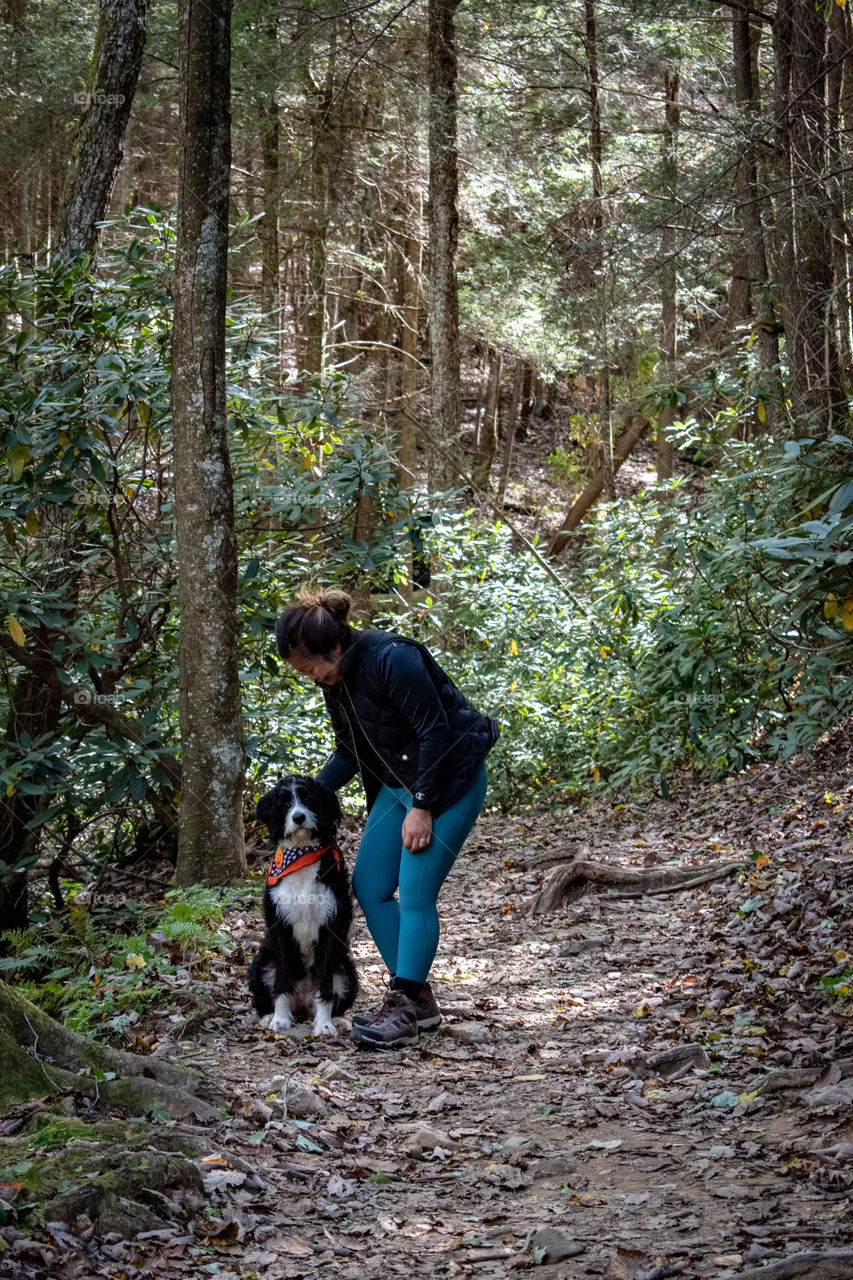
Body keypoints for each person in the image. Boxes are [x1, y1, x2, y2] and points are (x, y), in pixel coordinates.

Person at [274, 586, 499, 1049]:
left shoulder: (393, 658)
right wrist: (303, 800)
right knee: (371, 887)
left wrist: (422, 808)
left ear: (334, 646)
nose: (312, 677)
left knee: (415, 890)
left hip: (450, 782)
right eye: (303, 672)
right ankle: (419, 998)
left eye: (311, 666)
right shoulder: (336, 683)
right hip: (398, 787)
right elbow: (349, 753)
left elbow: (436, 732)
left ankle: (403, 1005)